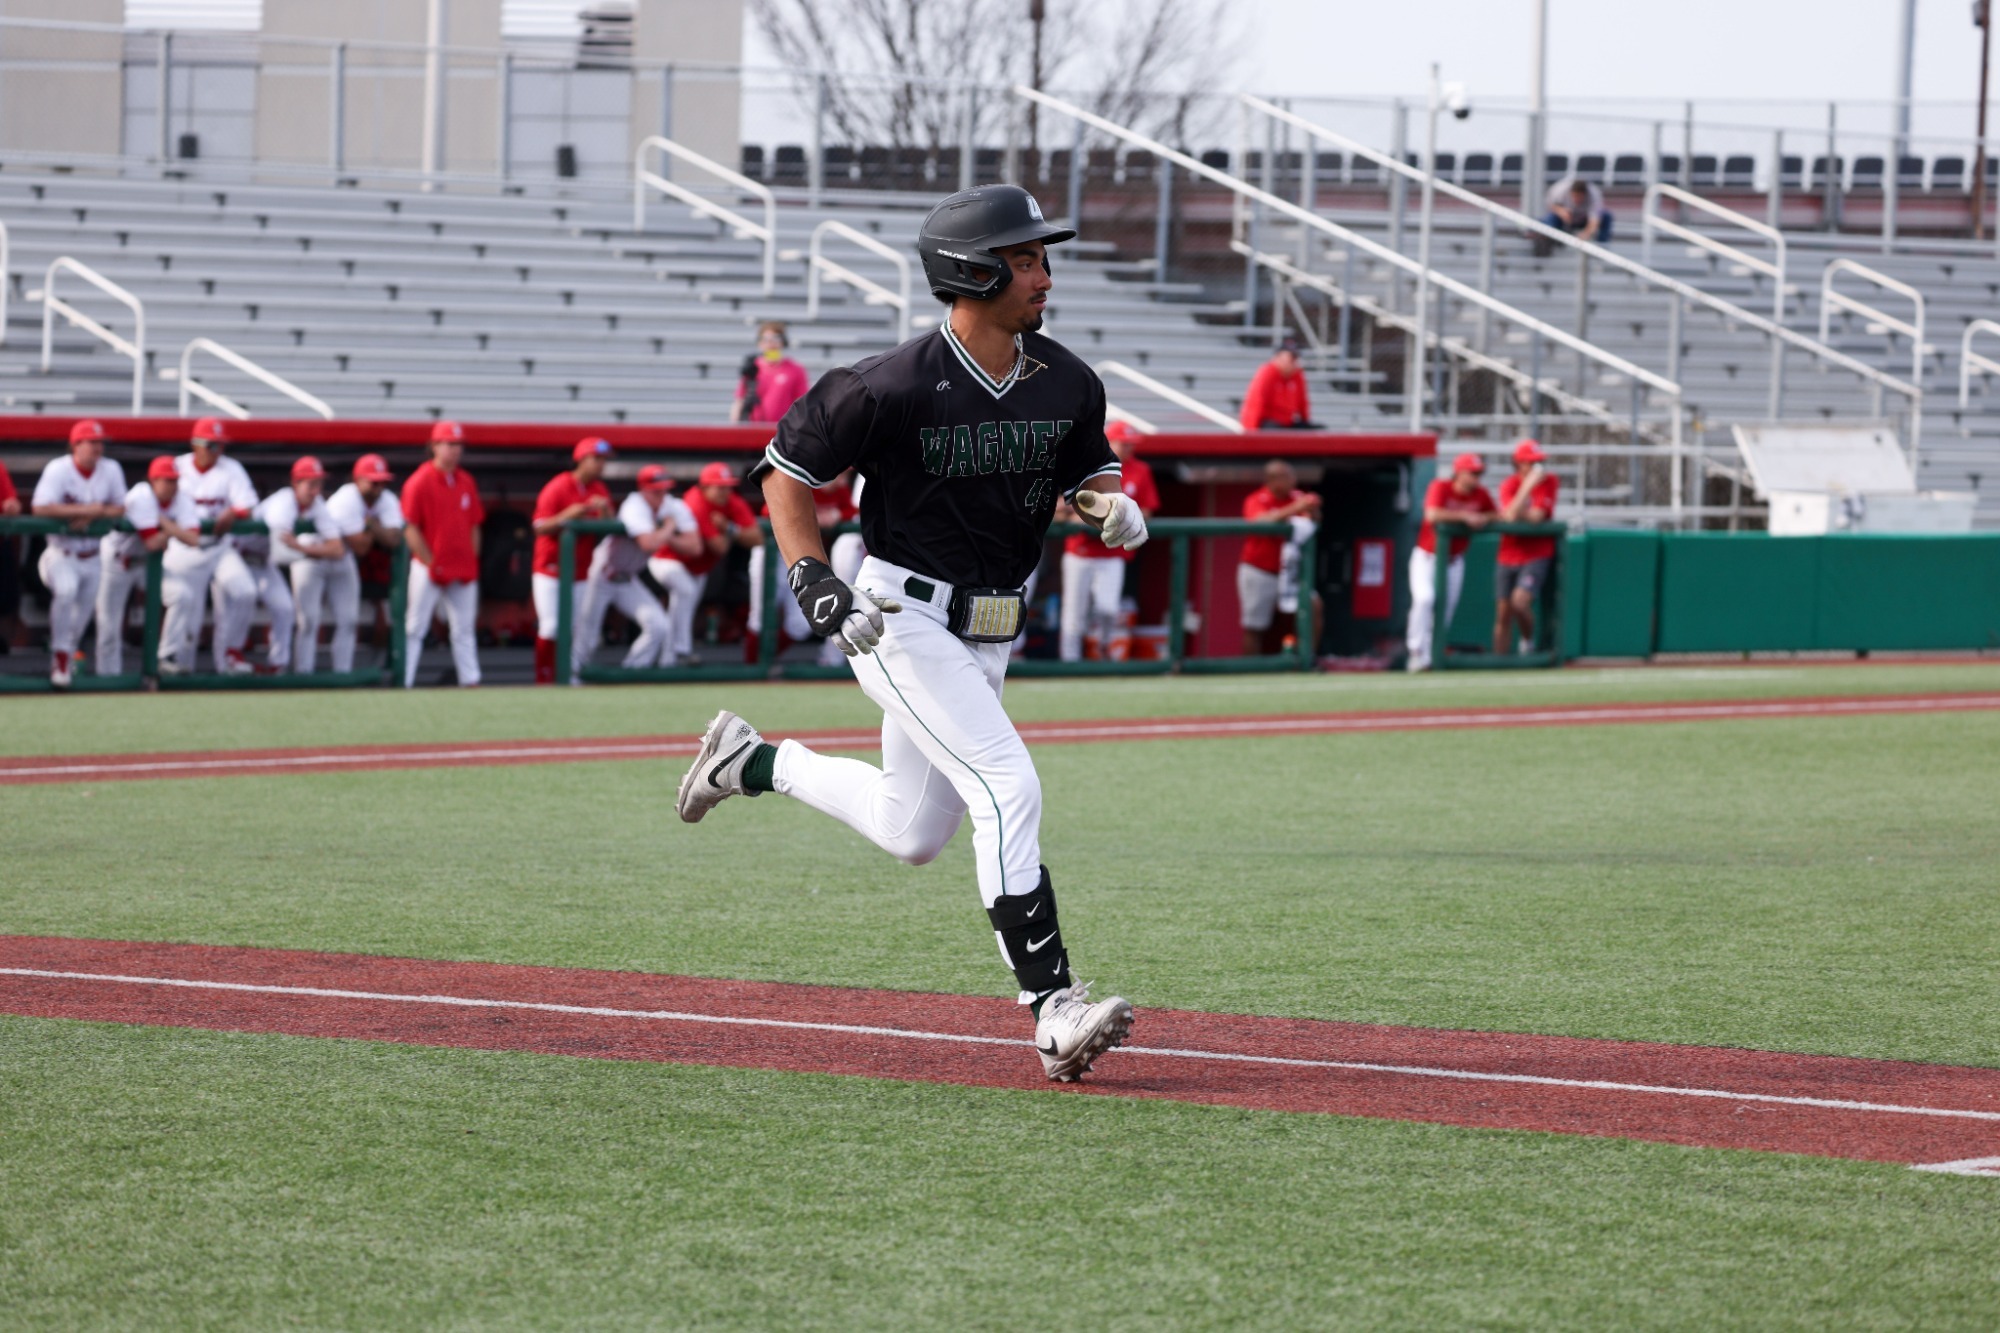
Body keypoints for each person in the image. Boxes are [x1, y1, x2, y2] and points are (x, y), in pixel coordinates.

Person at [676, 183, 1143, 1083]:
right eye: (1026, 257)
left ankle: (749, 761)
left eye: (1043, 255)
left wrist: (1105, 509)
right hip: (900, 614)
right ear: (970, 271)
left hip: (991, 628)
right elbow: (782, 473)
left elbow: (1084, 477)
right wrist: (813, 575)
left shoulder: (1069, 380)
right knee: (1007, 784)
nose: (1045, 272)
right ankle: (1054, 1005)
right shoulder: (886, 382)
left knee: (909, 830)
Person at [30, 419, 127, 687]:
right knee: (66, 591)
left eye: (100, 442)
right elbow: (39, 507)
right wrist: (85, 511)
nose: (98, 447)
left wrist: (97, 511)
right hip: (60, 553)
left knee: (81, 617)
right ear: (76, 445)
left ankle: (65, 657)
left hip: (94, 555)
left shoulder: (111, 469)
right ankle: (61, 656)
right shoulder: (58, 469)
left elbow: (122, 507)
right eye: (92, 442)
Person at [162, 417, 259, 675]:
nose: (217, 451)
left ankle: (232, 652)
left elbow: (248, 505)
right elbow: (159, 499)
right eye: (212, 445)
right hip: (185, 549)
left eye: (220, 445)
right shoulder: (177, 467)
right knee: (189, 622)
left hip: (218, 547)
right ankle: (179, 675)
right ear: (196, 444)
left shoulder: (230, 468)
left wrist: (233, 512)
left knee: (245, 591)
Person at [580, 464, 702, 669]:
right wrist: (670, 528)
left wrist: (664, 534)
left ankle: (631, 674)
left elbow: (695, 547)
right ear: (643, 489)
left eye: (665, 489)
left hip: (628, 579)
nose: (661, 495)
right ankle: (572, 681)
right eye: (656, 490)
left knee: (659, 626)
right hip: (602, 575)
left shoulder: (671, 505)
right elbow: (648, 543)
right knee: (587, 637)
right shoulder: (634, 505)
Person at [1056, 419, 1159, 661]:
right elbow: (1059, 508)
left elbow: (1146, 510)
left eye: (1131, 444)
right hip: (1080, 550)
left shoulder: (1140, 470)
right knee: (1073, 614)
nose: (1128, 448)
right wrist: (1076, 514)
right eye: (1123, 443)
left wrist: (1115, 513)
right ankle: (1069, 664)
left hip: (1113, 551)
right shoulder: (1085, 462)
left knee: (1108, 608)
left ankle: (1102, 652)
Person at [96, 455, 200, 677]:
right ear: (153, 480)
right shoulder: (141, 494)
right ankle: (108, 678)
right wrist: (172, 529)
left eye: (175, 480)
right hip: (116, 562)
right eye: (167, 480)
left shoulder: (181, 498)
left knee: (182, 595)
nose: (173, 485)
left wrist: (164, 523)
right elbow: (152, 543)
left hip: (146, 565)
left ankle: (166, 656)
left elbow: (194, 540)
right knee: (109, 628)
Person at [401, 420, 485, 688]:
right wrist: (431, 562)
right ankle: (404, 681)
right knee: (415, 627)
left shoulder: (466, 480)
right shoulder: (419, 480)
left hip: (461, 566)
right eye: (449, 444)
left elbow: (475, 524)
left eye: (458, 444)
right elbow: (409, 527)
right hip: (429, 567)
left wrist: (471, 559)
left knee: (464, 628)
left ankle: (470, 680)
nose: (455, 450)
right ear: (434, 446)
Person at [652, 461, 759, 666]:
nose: (725, 491)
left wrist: (728, 528)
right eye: (719, 487)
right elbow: (720, 547)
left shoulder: (732, 502)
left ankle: (669, 660)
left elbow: (757, 538)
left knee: (684, 606)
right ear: (705, 487)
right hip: (668, 560)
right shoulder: (696, 502)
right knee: (685, 592)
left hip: (698, 568)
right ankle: (681, 650)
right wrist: (733, 532)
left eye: (728, 486)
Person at [745, 475, 858, 663]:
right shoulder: (804, 482)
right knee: (760, 618)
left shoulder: (840, 492)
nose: (844, 477)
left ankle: (766, 661)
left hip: (804, 558)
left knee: (800, 624)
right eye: (841, 472)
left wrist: (836, 515)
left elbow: (852, 512)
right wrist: (811, 515)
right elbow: (767, 511)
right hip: (773, 553)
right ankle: (750, 669)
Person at [530, 437, 615, 684]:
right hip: (549, 568)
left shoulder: (599, 489)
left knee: (574, 629)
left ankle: (566, 677)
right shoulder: (558, 486)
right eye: (597, 459)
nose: (601, 465)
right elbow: (539, 527)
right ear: (582, 459)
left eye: (604, 460)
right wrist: (568, 515)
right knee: (551, 626)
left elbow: (610, 527)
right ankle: (543, 678)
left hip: (579, 570)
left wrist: (605, 512)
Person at [1406, 452, 1497, 673]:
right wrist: (1465, 516)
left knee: (1445, 610)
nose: (1476, 478)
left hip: (1454, 560)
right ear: (1459, 472)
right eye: (1472, 473)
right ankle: (1416, 652)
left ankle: (1431, 655)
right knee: (1425, 599)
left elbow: (1496, 514)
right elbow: (1432, 514)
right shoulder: (1441, 486)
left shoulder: (1480, 494)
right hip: (1427, 557)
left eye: (1479, 473)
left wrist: (1485, 518)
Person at [259, 456, 347, 673]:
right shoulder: (283, 502)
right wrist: (311, 551)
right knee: (241, 595)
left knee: (285, 608)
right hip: (238, 553)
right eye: (310, 484)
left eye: (319, 483)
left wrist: (303, 548)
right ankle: (229, 666)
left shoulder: (316, 505)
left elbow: (337, 549)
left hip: (261, 562)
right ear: (295, 483)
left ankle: (277, 667)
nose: (316, 490)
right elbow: (281, 553)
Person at [323, 454, 404, 673]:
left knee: (349, 621)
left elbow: (395, 540)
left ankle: (342, 673)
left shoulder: (386, 499)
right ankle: (299, 673)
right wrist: (376, 528)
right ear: (358, 479)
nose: (379, 487)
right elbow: (362, 547)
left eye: (382, 482)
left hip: (344, 559)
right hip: (316, 557)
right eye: (373, 482)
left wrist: (370, 527)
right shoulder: (345, 499)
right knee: (307, 620)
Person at [1238, 459, 1322, 656]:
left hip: (1290, 572)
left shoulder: (1296, 496)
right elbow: (1259, 522)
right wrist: (1294, 509)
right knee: (1255, 626)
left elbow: (1314, 520)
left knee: (1313, 607)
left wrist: (1314, 507)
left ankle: (1306, 661)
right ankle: (1248, 671)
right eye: (1288, 476)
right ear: (1274, 480)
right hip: (1259, 570)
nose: (1293, 480)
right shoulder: (1257, 499)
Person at [1494, 439, 1560, 655]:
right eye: (1531, 463)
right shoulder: (1509, 484)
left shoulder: (1549, 481)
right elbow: (1510, 515)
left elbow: (1537, 516)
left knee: (1520, 602)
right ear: (1519, 463)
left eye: (1539, 462)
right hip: (1508, 553)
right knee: (1503, 613)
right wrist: (1526, 487)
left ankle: (1527, 642)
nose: (1536, 468)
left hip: (1536, 553)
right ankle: (1498, 665)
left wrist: (1516, 512)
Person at [730, 320, 811, 425]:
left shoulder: (795, 370)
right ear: (760, 343)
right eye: (766, 339)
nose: (771, 344)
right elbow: (740, 400)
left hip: (783, 432)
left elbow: (802, 404)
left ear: (783, 342)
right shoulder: (752, 369)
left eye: (776, 339)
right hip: (754, 430)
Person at [1239, 337, 1317, 431]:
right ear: (1278, 357)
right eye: (1291, 358)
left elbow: (1302, 402)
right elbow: (1256, 401)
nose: (1294, 362)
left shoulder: (1297, 375)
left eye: (1295, 358)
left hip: (1287, 422)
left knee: (1314, 432)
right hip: (1269, 423)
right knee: (1275, 430)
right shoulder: (1268, 373)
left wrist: (1305, 422)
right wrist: (1250, 430)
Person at [1538, 176, 1612, 253]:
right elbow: (1550, 204)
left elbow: (1595, 220)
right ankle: (1549, 246)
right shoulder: (1561, 189)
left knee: (1606, 216)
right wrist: (1561, 211)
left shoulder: (1594, 195)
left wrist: (1586, 233)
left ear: (1585, 194)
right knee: (1549, 219)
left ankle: (1602, 250)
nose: (1577, 200)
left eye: (1580, 197)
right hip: (1565, 219)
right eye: (1575, 196)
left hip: (1584, 219)